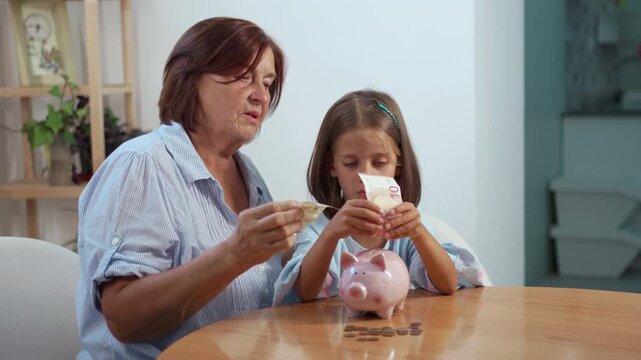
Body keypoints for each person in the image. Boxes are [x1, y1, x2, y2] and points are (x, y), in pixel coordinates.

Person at [75, 17, 304, 359]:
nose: (260, 96)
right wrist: (235, 253)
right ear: (189, 79)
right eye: (244, 77)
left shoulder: (246, 171)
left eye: (268, 83)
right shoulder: (142, 165)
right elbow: (123, 317)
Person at [273, 90, 488, 306]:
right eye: (351, 163)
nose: (365, 175)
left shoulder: (406, 230)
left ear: (398, 167)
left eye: (379, 163)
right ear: (332, 166)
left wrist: (419, 233)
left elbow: (448, 285)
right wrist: (331, 235)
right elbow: (305, 291)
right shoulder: (319, 230)